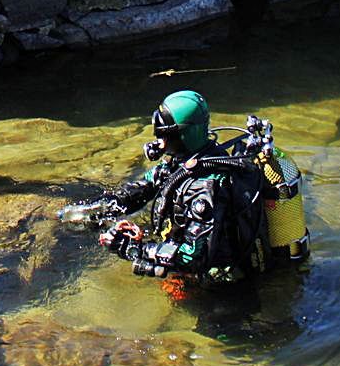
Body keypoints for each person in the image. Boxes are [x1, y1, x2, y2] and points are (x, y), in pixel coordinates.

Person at [95, 91, 272, 286]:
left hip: (221, 285)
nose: (158, 142)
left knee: (176, 296)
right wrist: (99, 209)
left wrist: (133, 248)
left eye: (164, 136)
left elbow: (194, 258)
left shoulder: (203, 190)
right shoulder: (190, 160)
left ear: (181, 136)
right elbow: (143, 187)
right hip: (192, 254)